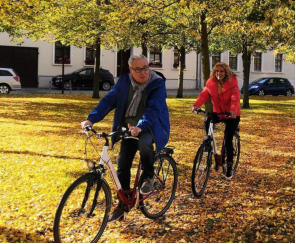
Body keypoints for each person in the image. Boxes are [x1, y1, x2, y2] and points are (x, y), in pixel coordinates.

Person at [81, 55, 170, 221]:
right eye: (138, 69)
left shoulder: (157, 83)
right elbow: (108, 101)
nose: (143, 72)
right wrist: (91, 119)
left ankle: (149, 176)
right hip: (129, 127)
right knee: (122, 164)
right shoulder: (124, 82)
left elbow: (153, 109)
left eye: (145, 67)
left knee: (144, 143)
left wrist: (140, 126)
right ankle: (123, 204)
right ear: (131, 70)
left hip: (151, 125)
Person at [192, 62, 240, 180]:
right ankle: (208, 144)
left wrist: (233, 110)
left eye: (221, 71)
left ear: (226, 72)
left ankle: (229, 167)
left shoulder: (232, 82)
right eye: (217, 71)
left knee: (228, 139)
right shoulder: (211, 83)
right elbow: (204, 94)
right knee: (207, 119)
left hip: (232, 114)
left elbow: (235, 97)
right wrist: (196, 105)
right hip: (218, 112)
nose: (219, 73)